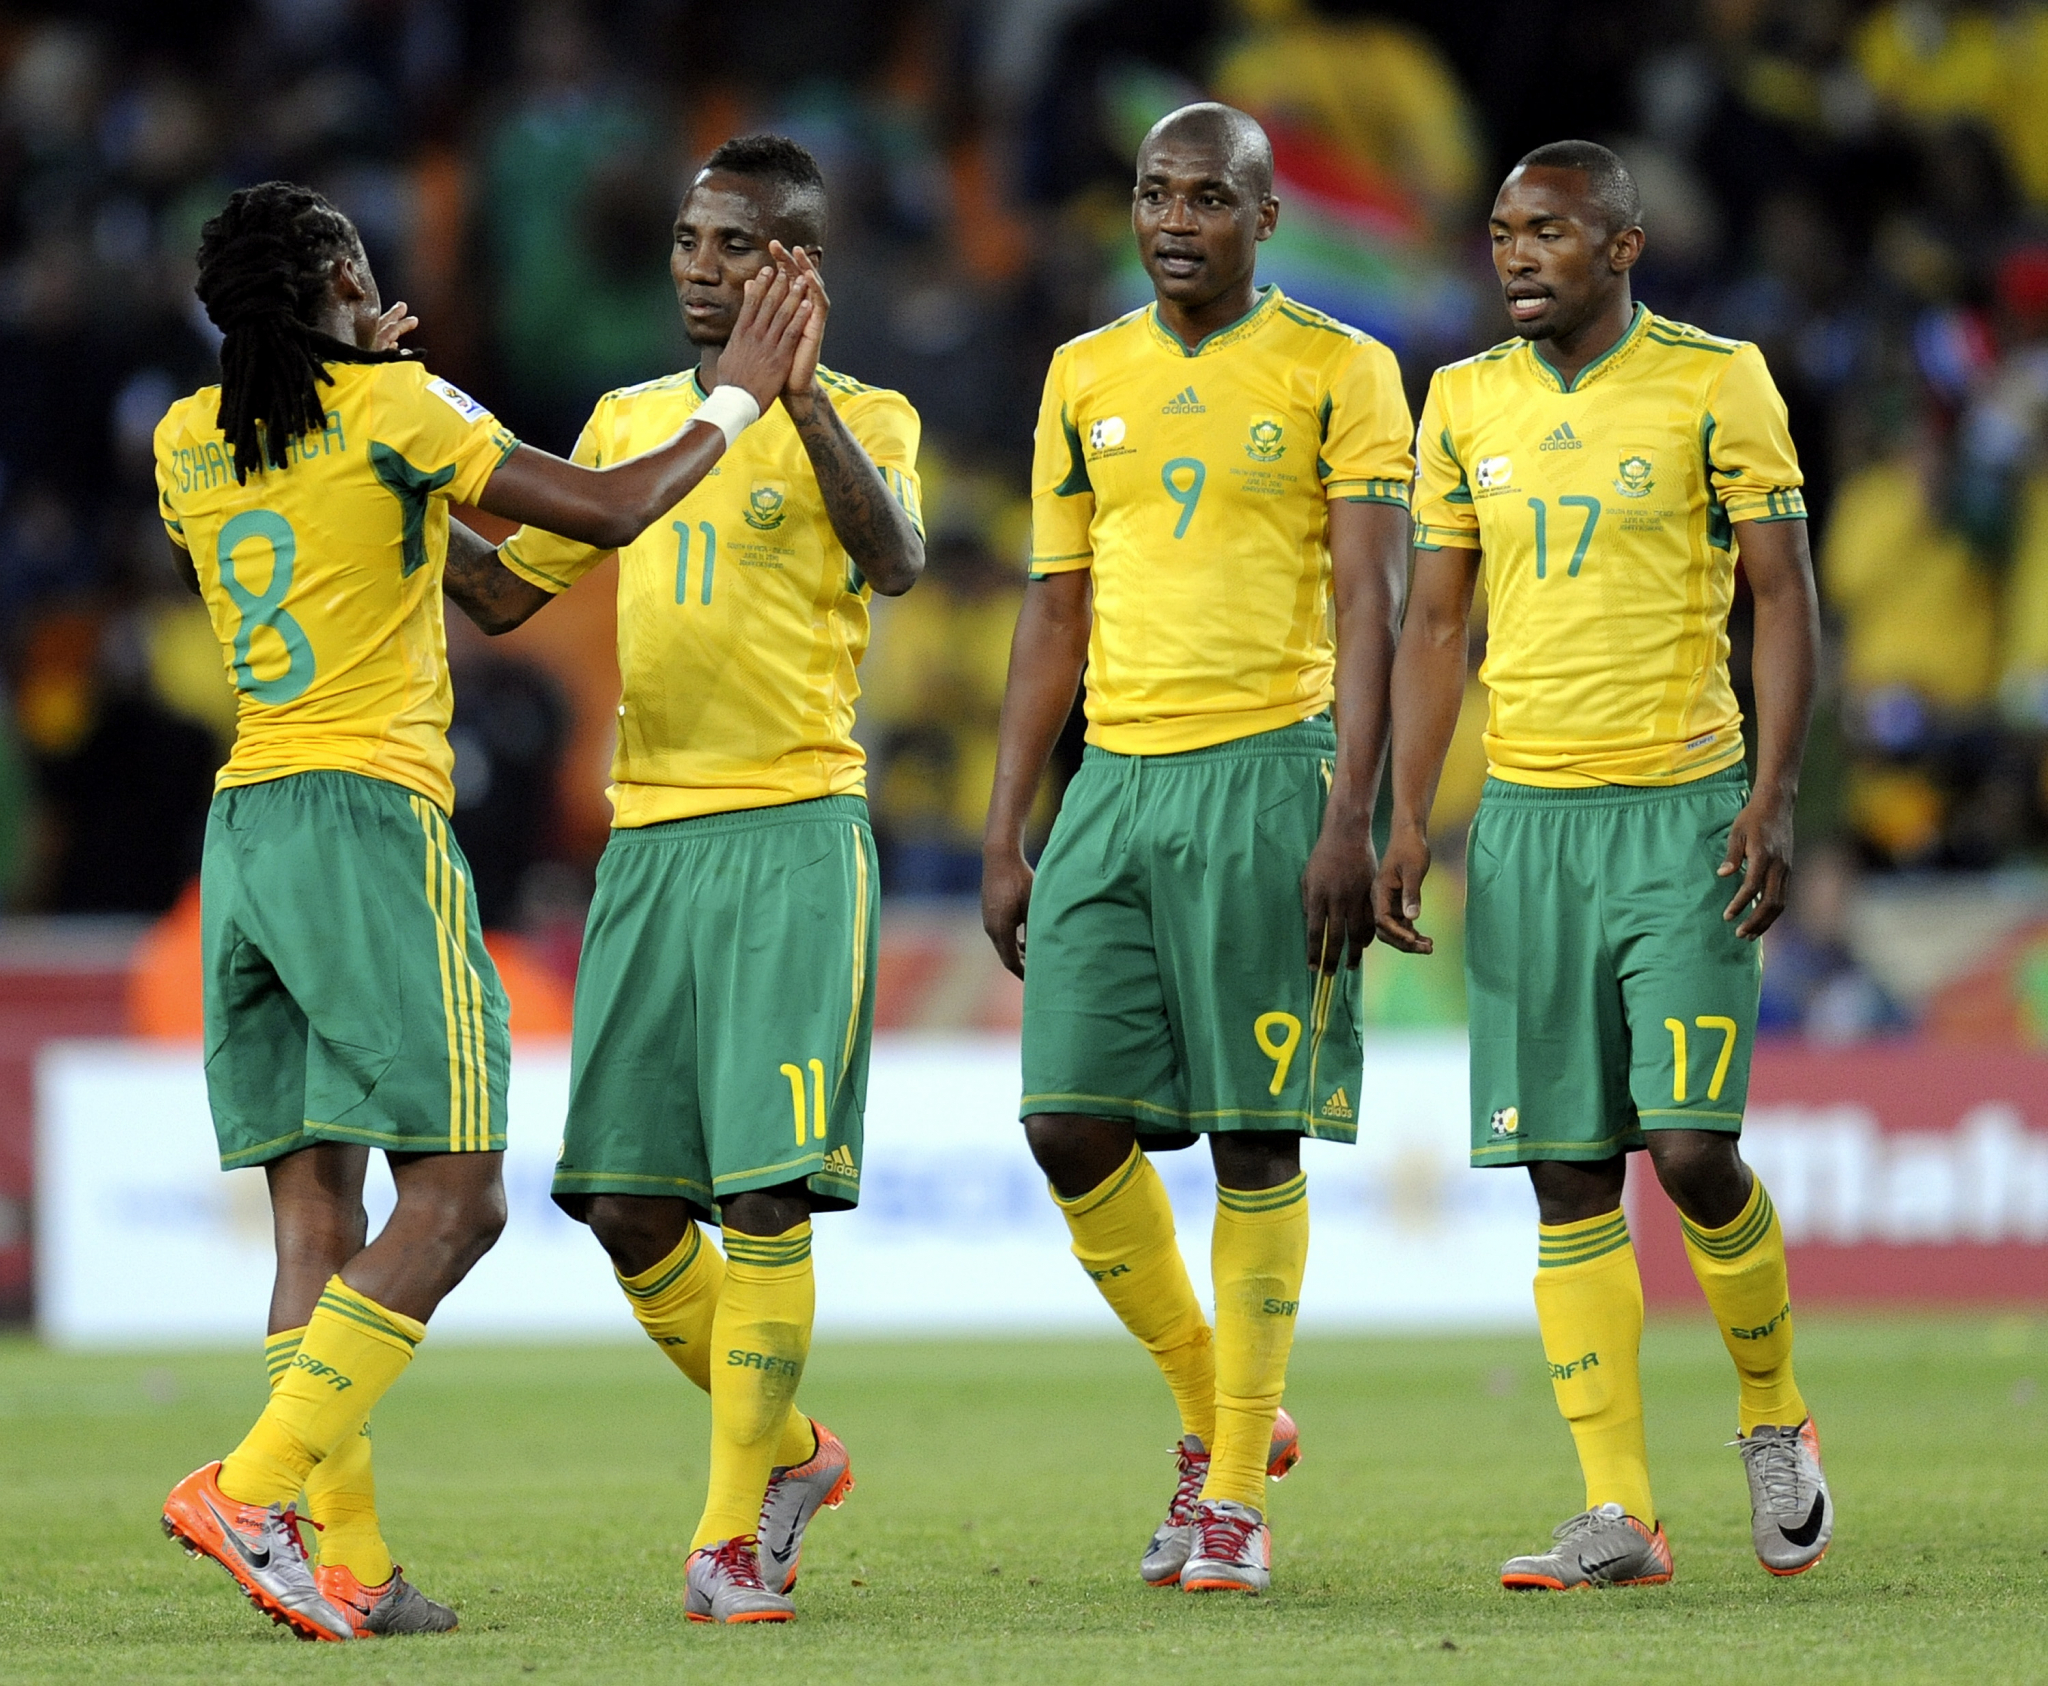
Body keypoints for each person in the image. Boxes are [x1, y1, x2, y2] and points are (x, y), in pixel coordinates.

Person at [155, 180, 811, 1642]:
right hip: (368, 825)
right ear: (339, 275)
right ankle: (254, 1490)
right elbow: (617, 503)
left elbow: (454, 577)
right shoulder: (400, 413)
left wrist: (390, 401)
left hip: (247, 832)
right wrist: (742, 400)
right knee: (458, 1194)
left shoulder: (186, 440)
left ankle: (351, 1562)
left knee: (313, 1213)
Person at [440, 134, 924, 1625]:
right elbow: (514, 590)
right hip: (646, 839)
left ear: (797, 269)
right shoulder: (632, 420)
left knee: (767, 1196)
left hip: (790, 829)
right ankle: (788, 1451)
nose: (696, 268)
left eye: (733, 247)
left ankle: (731, 1533)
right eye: (685, 241)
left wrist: (804, 399)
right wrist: (398, 490)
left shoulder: (876, 415)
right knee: (630, 1207)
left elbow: (895, 556)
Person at [1376, 140, 1833, 1590]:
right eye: (1504, 231)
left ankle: (1773, 1417)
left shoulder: (1719, 379)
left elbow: (1783, 591)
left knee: (1691, 1149)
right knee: (1568, 1175)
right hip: (1526, 826)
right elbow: (1438, 629)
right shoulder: (1459, 404)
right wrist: (1405, 816)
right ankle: (1618, 1509)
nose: (1517, 254)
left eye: (1551, 232)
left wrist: (1772, 788)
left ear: (1622, 246)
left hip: (1682, 813)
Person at [981, 103, 1412, 1596]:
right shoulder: (1080, 373)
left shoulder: (1343, 368)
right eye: (1156, 196)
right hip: (1112, 785)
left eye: (1209, 199)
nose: (1175, 221)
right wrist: (1007, 823)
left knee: (1253, 1137)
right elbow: (1052, 612)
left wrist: (1351, 808)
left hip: (1269, 773)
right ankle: (1216, 1402)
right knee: (1066, 1121)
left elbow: (1373, 604)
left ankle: (1231, 1495)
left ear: (1265, 216)